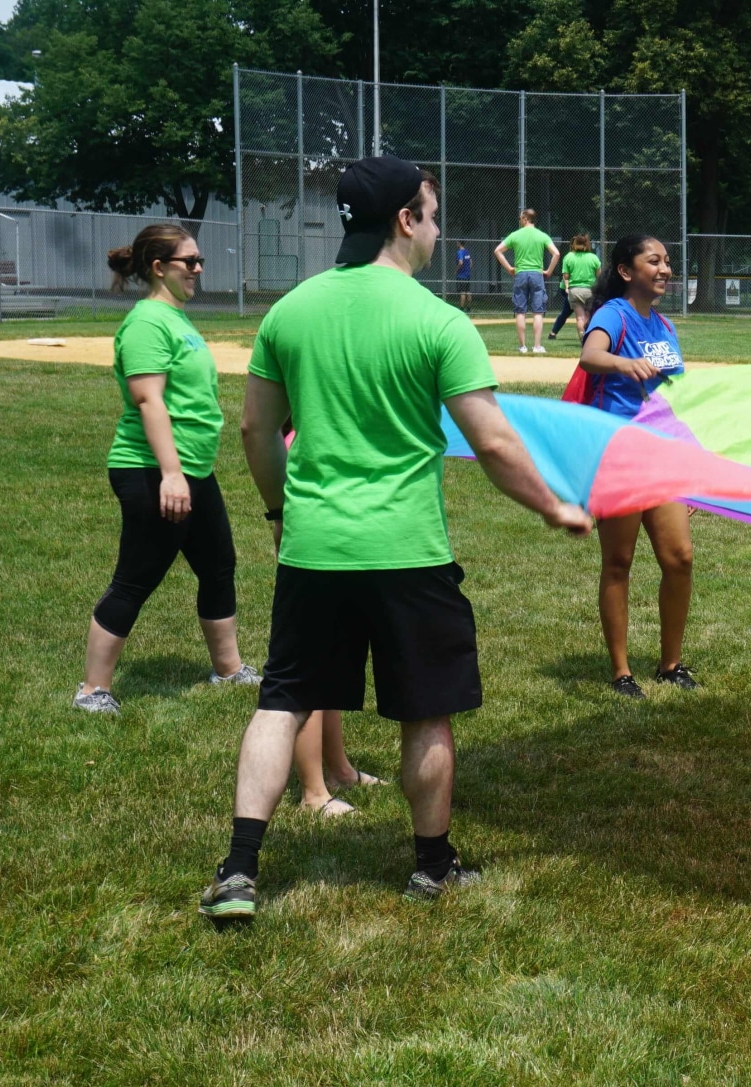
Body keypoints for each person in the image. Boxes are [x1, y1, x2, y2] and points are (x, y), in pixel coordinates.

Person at [198, 156, 592, 924]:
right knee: (426, 713)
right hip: (408, 551)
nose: (438, 230)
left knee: (282, 700)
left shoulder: (291, 311)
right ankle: (432, 867)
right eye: (433, 215)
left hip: (314, 550)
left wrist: (281, 514)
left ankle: (241, 869)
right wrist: (553, 506)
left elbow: (254, 429)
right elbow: (495, 444)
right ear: (405, 221)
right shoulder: (437, 321)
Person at [75, 224, 257, 715]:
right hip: (153, 469)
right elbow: (148, 400)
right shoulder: (147, 323)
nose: (199, 269)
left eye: (199, 262)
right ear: (158, 267)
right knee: (137, 576)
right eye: (189, 262)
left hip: (191, 469)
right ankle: (93, 691)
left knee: (218, 565)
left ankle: (228, 668)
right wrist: (172, 474)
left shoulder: (176, 319)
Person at [575, 233, 698, 699]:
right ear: (627, 271)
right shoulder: (614, 314)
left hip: (661, 455)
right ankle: (622, 671)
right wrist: (623, 365)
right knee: (619, 562)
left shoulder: (665, 325)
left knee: (679, 558)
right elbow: (590, 356)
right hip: (620, 454)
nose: (665, 269)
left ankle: (670, 664)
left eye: (667, 261)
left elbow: (673, 399)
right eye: (654, 261)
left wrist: (688, 467)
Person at [494, 209, 559, 354]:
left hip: (520, 274)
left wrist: (509, 268)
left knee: (520, 311)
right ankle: (537, 346)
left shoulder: (515, 235)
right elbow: (556, 253)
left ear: (525, 218)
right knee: (538, 311)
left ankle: (523, 346)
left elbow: (498, 250)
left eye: (520, 218)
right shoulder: (542, 236)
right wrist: (548, 271)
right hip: (537, 274)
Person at [549, 234, 602, 341]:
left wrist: (567, 288)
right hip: (589, 290)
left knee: (579, 317)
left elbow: (566, 276)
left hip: (573, 291)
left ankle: (582, 338)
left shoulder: (569, 257)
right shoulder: (593, 258)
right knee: (588, 316)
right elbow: (599, 276)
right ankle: (590, 338)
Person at [454, 243, 473, 313]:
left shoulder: (460, 252)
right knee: (468, 291)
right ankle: (469, 308)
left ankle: (461, 308)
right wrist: (468, 269)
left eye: (457, 242)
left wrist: (456, 270)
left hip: (461, 275)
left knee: (462, 292)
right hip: (467, 275)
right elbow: (471, 262)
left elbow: (460, 262)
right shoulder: (467, 251)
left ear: (459, 243)